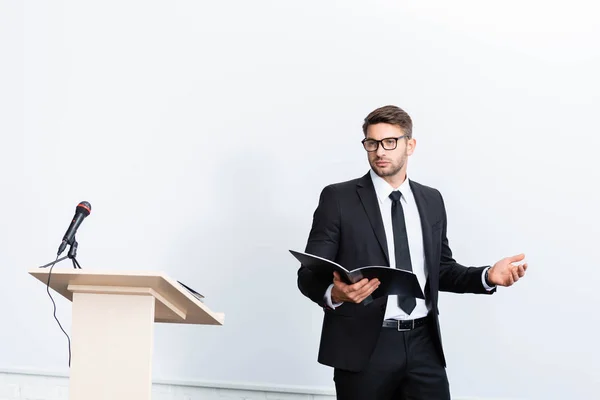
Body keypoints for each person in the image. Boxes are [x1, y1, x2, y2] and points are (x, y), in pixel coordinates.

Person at [296, 105, 528, 400]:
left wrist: (487, 276)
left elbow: (441, 270)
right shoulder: (338, 198)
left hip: (423, 344)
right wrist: (335, 294)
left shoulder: (431, 200)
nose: (380, 151)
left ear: (410, 145)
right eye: (372, 143)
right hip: (365, 347)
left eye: (390, 142)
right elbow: (308, 275)